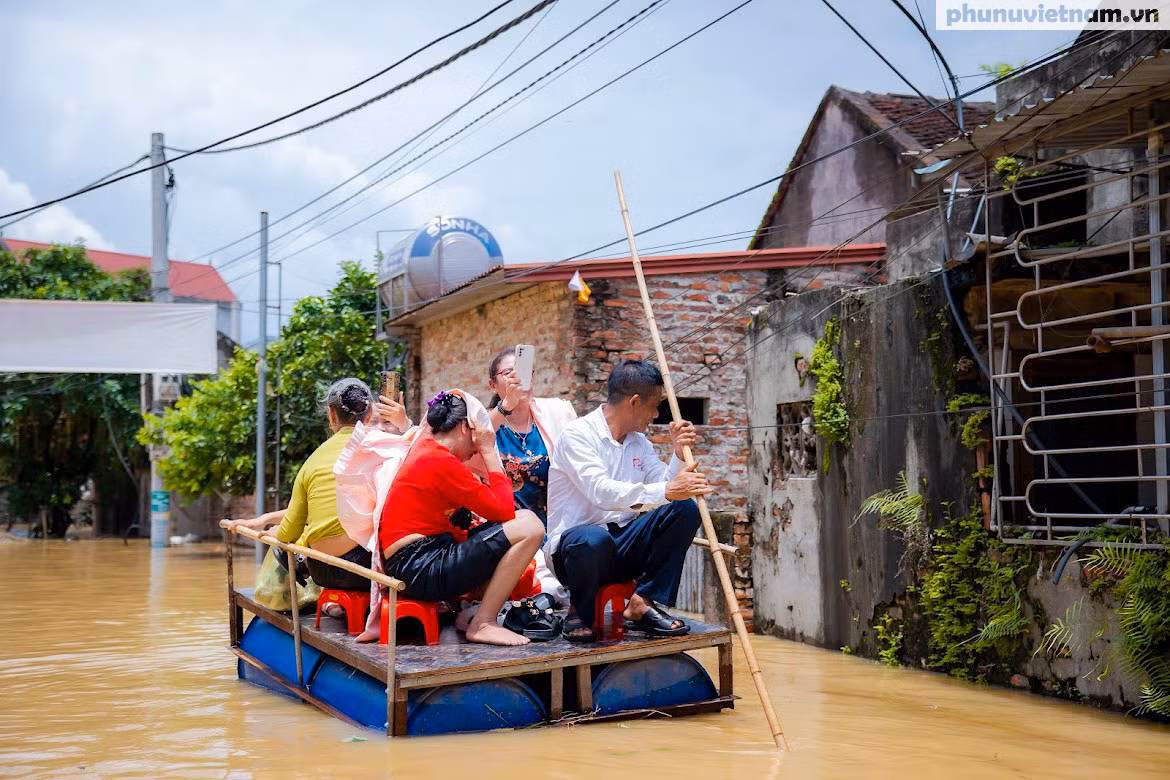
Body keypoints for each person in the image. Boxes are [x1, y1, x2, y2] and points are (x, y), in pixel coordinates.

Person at [546, 359, 712, 643]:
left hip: (622, 545)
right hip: (575, 553)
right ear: (634, 402)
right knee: (592, 538)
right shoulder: (577, 436)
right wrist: (668, 490)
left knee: (684, 508)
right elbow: (601, 492)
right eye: (654, 405)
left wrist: (676, 452)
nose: (656, 414)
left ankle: (642, 601)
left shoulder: (639, 442)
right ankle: (580, 610)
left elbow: (662, 487)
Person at [379, 391, 545, 646]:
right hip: (419, 566)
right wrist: (489, 452)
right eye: (478, 438)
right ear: (465, 428)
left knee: (522, 519)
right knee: (530, 525)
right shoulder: (440, 460)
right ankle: (483, 623)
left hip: (416, 562)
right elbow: (504, 510)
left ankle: (476, 615)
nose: (476, 449)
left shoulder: (428, 451)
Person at [238, 377, 410, 591]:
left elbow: (288, 533)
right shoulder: (383, 449)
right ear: (369, 416)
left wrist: (270, 525)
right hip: (363, 568)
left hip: (319, 569)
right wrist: (406, 424)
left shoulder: (312, 461)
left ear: (331, 414)